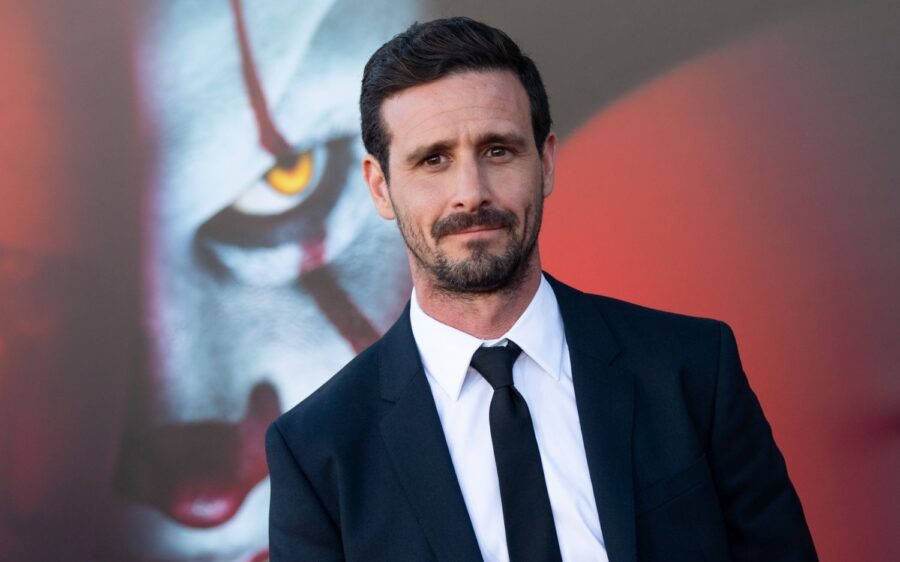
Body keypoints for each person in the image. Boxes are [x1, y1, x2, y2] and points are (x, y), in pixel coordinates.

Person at [266, 16, 817, 562]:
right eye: (433, 160)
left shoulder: (692, 370)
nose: (471, 192)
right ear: (380, 187)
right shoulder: (317, 450)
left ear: (546, 162)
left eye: (497, 150)